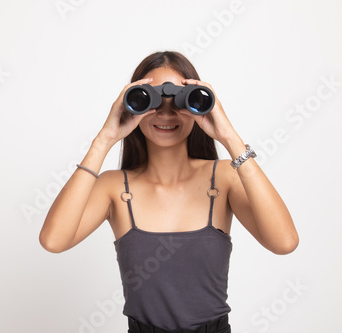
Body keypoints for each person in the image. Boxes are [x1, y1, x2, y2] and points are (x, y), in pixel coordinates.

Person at [39, 51, 299, 333]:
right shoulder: (114, 187)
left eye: (180, 101)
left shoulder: (223, 177)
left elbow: (284, 242)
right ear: (133, 104)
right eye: (151, 102)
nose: (166, 114)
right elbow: (54, 241)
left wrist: (229, 137)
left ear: (199, 104)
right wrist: (104, 140)